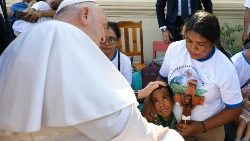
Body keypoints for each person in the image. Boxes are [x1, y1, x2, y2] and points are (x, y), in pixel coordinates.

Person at [0, 0, 184, 140]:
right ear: (85, 15)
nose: (104, 38)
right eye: (104, 26)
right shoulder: (77, 53)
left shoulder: (26, 41)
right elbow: (121, 124)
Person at [143, 11, 243, 141]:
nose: (192, 48)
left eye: (201, 44)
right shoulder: (174, 49)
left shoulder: (224, 67)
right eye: (189, 41)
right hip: (174, 124)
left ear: (212, 42)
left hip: (209, 128)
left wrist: (202, 126)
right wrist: (149, 100)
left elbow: (235, 109)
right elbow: (162, 79)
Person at [232, 37, 250, 141]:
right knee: (242, 123)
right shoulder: (236, 63)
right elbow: (226, 92)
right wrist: (243, 101)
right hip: (237, 107)